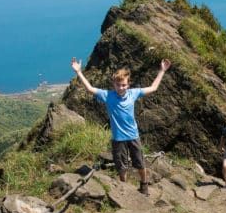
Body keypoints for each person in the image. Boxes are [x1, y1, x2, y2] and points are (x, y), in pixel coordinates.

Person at [71, 57, 171, 195]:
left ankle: (144, 184)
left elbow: (153, 88)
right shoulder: (108, 95)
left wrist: (162, 71)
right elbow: (90, 88)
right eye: (118, 85)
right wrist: (78, 72)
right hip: (118, 138)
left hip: (133, 135)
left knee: (140, 163)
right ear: (114, 84)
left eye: (124, 85)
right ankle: (124, 188)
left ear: (128, 84)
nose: (121, 88)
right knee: (121, 166)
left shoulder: (133, 93)